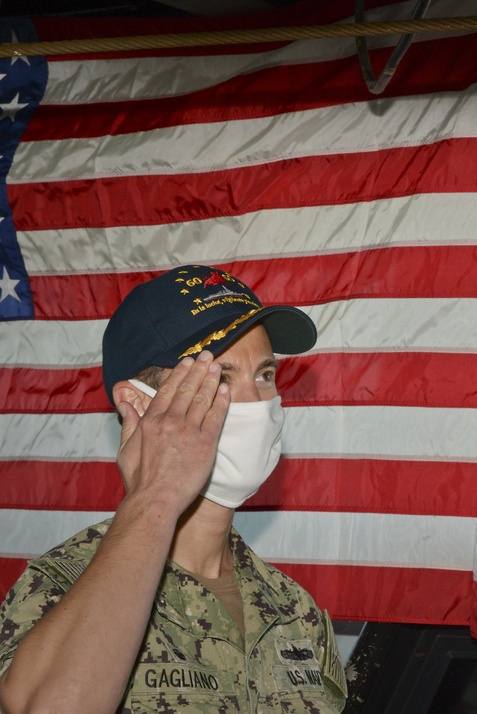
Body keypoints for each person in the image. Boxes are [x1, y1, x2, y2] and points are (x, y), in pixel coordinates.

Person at [0, 265, 348, 712]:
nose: (259, 404)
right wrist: (157, 496)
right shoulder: (61, 586)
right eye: (220, 378)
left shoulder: (294, 611)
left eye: (264, 375)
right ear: (139, 404)